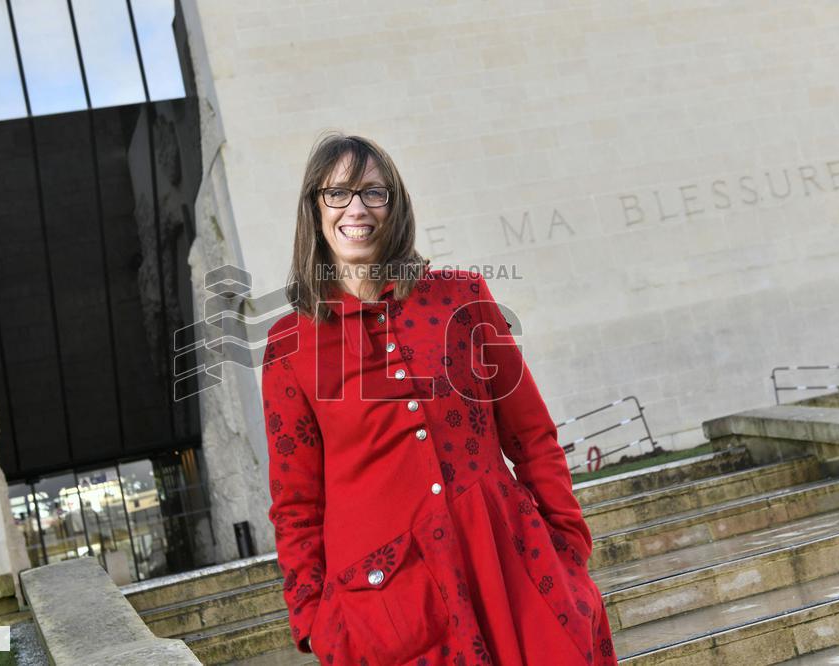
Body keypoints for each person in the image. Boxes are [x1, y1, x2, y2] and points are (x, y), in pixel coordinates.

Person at [260, 132, 618, 665]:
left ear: (395, 206)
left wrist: (568, 544)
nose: (356, 209)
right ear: (314, 210)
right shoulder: (290, 345)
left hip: (511, 569)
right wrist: (311, 619)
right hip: (387, 604)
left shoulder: (463, 297)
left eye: (373, 192)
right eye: (337, 193)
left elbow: (531, 435)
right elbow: (296, 503)